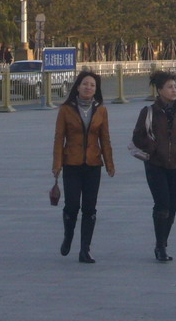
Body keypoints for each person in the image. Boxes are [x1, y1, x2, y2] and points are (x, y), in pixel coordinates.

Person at [132, 70, 176, 261]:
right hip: (155, 165)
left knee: (172, 207)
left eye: (175, 86)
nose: (174, 90)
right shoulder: (148, 112)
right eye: (169, 87)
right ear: (159, 90)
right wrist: (153, 148)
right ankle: (160, 246)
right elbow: (137, 136)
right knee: (162, 205)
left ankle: (163, 240)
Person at [52, 70, 114, 263]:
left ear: (96, 90)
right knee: (72, 206)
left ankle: (85, 249)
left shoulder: (101, 110)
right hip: (72, 163)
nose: (89, 88)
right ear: (77, 87)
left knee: (90, 208)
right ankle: (68, 235)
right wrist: (57, 164)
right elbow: (58, 138)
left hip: (93, 164)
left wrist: (109, 163)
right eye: (85, 84)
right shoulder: (66, 109)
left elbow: (105, 138)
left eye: (93, 85)